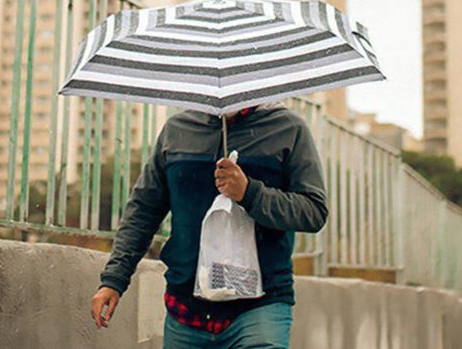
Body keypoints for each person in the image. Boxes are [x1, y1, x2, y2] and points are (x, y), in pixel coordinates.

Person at [89, 104, 328, 348]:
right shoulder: (177, 131)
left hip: (261, 306)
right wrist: (114, 279)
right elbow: (143, 210)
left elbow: (313, 211)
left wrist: (250, 193)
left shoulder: (288, 128)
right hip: (185, 309)